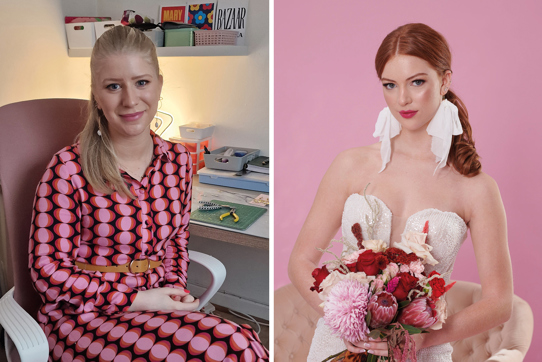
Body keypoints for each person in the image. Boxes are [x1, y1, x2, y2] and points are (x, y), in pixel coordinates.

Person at [28, 26, 268, 362]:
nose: (130, 100)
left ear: (159, 83)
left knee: (241, 344)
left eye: (141, 82)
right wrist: (137, 300)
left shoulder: (178, 160)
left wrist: (177, 291)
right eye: (114, 87)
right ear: (96, 94)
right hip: (82, 318)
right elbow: (47, 272)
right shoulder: (67, 169)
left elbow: (175, 242)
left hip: (156, 307)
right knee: (227, 348)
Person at [288, 23, 513, 361]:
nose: (403, 99)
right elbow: (300, 260)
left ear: (445, 80)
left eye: (417, 82)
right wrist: (346, 321)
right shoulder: (350, 165)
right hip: (341, 343)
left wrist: (422, 339)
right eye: (390, 85)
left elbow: (499, 303)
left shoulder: (477, 188)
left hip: (422, 350)